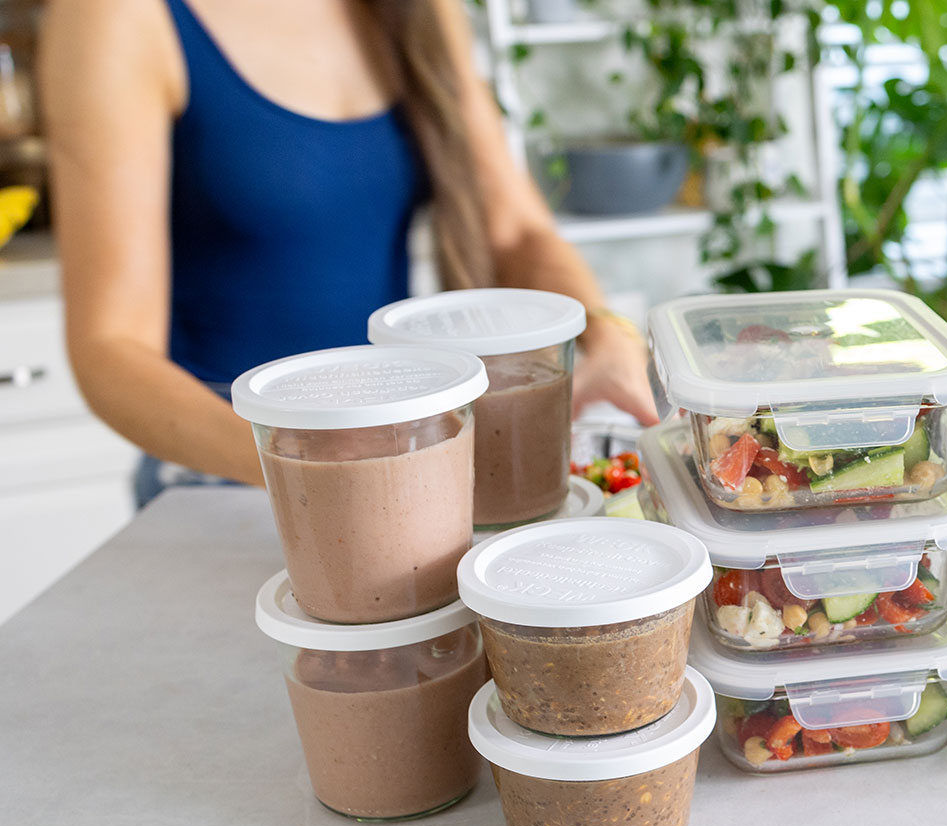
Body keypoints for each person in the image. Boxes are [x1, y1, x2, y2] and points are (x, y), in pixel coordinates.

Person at [40, 0, 659, 505]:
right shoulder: (117, 16)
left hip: (400, 456)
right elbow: (110, 349)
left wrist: (602, 331)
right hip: (228, 477)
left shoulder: (419, 10)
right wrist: (305, 457)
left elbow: (515, 230)